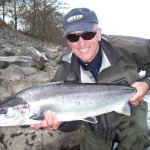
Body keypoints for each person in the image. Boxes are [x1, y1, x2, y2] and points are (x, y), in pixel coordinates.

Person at [31, 8, 150, 150]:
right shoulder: (64, 72)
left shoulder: (127, 47)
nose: (81, 43)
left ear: (99, 34)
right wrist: (59, 123)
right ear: (68, 41)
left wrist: (146, 84)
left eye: (87, 35)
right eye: (73, 37)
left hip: (131, 111)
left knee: (137, 137)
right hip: (95, 127)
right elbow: (73, 123)